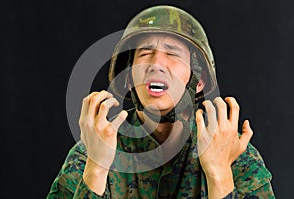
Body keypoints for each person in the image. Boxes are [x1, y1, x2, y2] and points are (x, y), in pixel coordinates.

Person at [47, 5, 275, 198]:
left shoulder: (230, 152)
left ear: (198, 81)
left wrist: (219, 174)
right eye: (145, 53)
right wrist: (96, 167)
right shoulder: (94, 149)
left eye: (173, 54)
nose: (157, 63)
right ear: (128, 79)